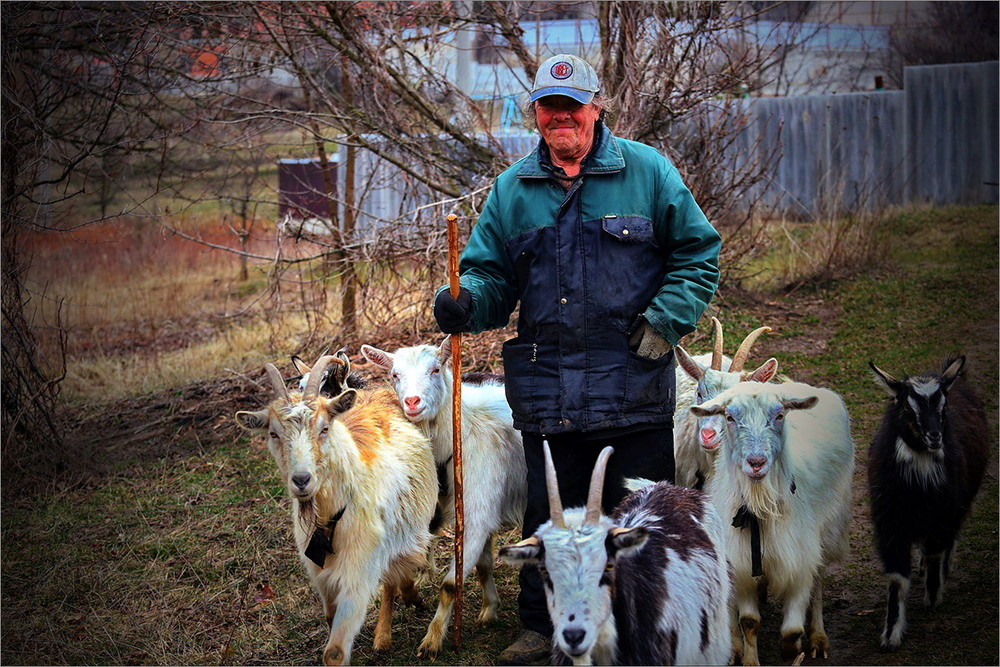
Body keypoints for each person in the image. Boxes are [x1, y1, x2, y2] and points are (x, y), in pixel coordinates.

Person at [433, 53, 722, 665]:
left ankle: (648, 620)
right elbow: (488, 277)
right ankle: (541, 627)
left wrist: (666, 320)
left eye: (572, 105)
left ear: (596, 107)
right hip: (549, 393)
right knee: (548, 519)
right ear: (535, 112)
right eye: (548, 106)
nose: (560, 117)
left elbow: (698, 252)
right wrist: (465, 304)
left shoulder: (646, 172)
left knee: (638, 520)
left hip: (632, 387)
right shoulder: (513, 190)